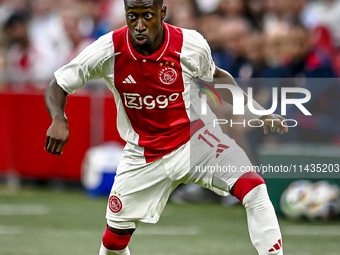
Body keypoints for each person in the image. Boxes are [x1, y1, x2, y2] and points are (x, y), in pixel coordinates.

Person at [44, 0, 288, 254]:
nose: (139, 25)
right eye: (132, 16)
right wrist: (58, 118)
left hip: (195, 141)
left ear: (162, 13)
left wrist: (256, 111)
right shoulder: (108, 49)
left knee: (254, 187)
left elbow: (216, 77)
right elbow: (57, 85)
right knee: (114, 243)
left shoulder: (190, 44)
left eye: (147, 16)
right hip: (143, 154)